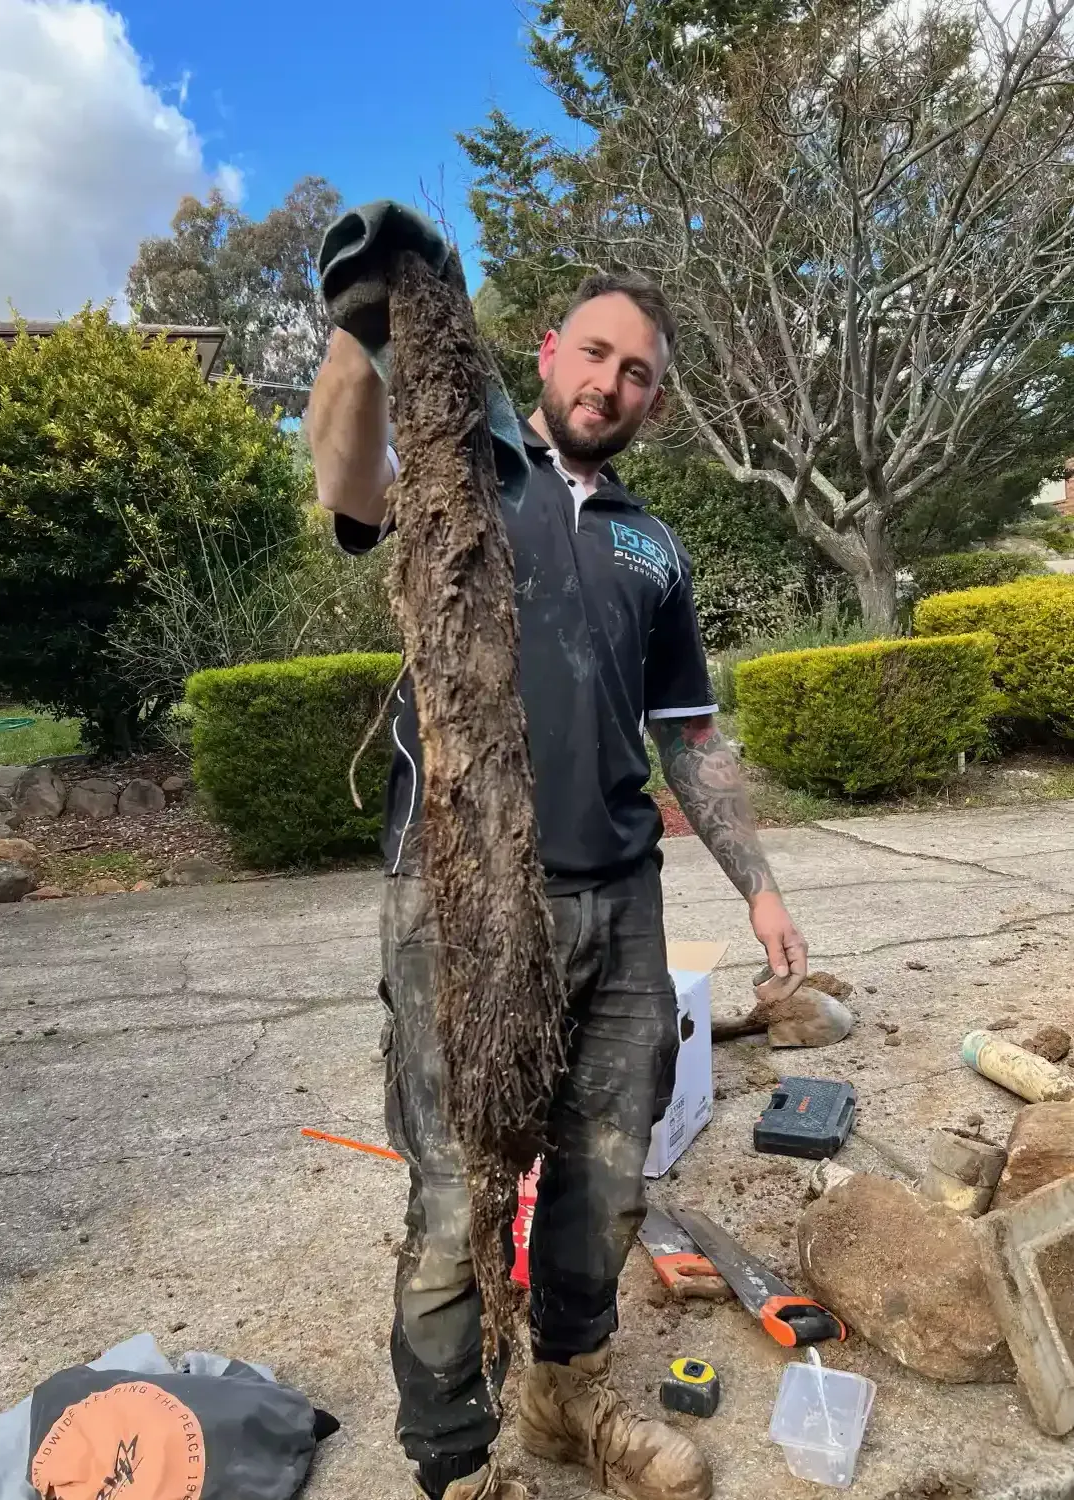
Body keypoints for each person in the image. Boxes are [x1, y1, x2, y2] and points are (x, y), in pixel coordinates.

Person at [307, 271, 808, 1500]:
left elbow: (688, 735)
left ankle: (564, 1393)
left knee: (606, 1175)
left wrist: (759, 885)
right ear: (547, 352)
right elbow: (346, 481)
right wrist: (361, 335)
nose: (610, 384)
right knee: (454, 1194)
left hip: (621, 901)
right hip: (461, 893)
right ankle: (454, 1462)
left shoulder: (653, 543)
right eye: (595, 354)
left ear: (654, 400)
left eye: (638, 373)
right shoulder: (462, 470)